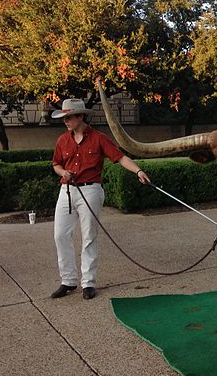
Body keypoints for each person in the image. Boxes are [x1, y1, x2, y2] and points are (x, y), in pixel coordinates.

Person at [50, 98, 150, 300]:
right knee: (60, 235)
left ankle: (88, 283)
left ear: (80, 117)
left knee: (89, 236)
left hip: (91, 190)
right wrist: (63, 172)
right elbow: (56, 164)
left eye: (69, 117)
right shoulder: (62, 140)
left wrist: (138, 171)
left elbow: (120, 157)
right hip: (67, 190)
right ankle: (68, 281)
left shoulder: (99, 138)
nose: (66, 121)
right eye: (64, 118)